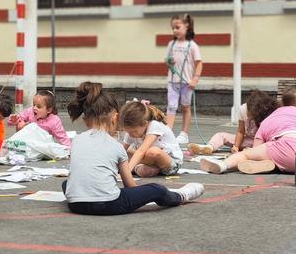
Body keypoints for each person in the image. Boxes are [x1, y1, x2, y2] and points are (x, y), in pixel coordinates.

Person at [61, 81, 202, 216]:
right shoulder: (116, 146)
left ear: (86, 121)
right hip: (108, 204)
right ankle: (180, 196)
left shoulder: (76, 140)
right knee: (156, 189)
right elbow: (130, 186)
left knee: (67, 183)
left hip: (76, 204)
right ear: (115, 118)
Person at [199, 84, 296, 174]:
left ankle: (223, 165)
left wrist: (250, 154)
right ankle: (272, 164)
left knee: (246, 155)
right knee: (280, 155)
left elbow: (257, 147)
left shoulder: (271, 118)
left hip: (286, 148)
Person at [190, 90, 277, 156]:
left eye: (252, 113)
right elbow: (240, 131)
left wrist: (256, 148)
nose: (249, 114)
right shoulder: (243, 109)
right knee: (221, 135)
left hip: (263, 142)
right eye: (249, 111)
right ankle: (209, 147)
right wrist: (236, 146)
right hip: (248, 140)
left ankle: (250, 152)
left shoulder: (267, 113)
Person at [118, 100, 184, 178]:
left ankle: (130, 167)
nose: (131, 135)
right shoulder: (131, 131)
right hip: (150, 162)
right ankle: (145, 169)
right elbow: (122, 150)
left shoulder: (154, 125)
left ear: (145, 124)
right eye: (128, 132)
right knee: (124, 152)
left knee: (152, 151)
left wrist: (126, 172)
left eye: (133, 131)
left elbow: (141, 151)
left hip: (170, 163)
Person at [164, 13, 202, 145]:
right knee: (171, 106)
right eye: (173, 28)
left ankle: (184, 134)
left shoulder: (192, 45)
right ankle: (168, 132)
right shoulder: (171, 44)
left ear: (187, 26)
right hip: (173, 81)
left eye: (177, 27)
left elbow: (199, 63)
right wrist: (170, 61)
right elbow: (167, 61)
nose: (175, 30)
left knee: (185, 107)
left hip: (186, 83)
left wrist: (195, 79)